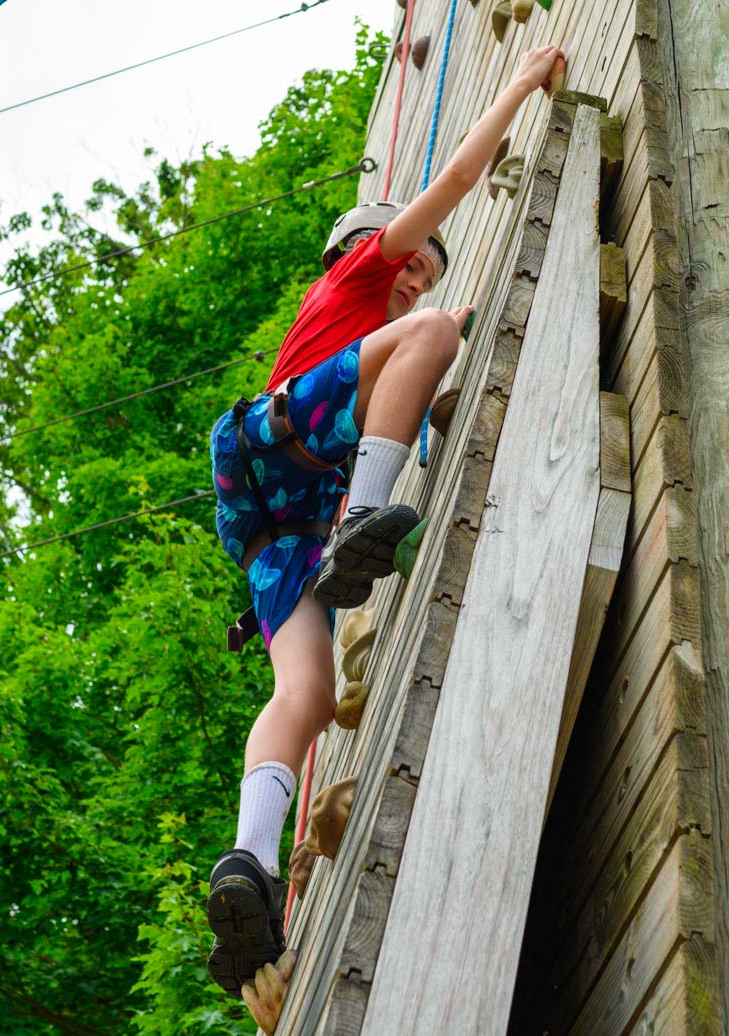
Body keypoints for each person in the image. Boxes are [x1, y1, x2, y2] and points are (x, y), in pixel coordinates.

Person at [202, 44, 568, 995]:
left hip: (280, 519)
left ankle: (249, 866)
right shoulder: (361, 272)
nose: (416, 279)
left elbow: (423, 350)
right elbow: (454, 178)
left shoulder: (355, 334)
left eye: (425, 273)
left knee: (307, 696)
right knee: (436, 337)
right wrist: (522, 85)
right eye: (415, 265)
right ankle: (371, 513)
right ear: (370, 251)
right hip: (288, 454)